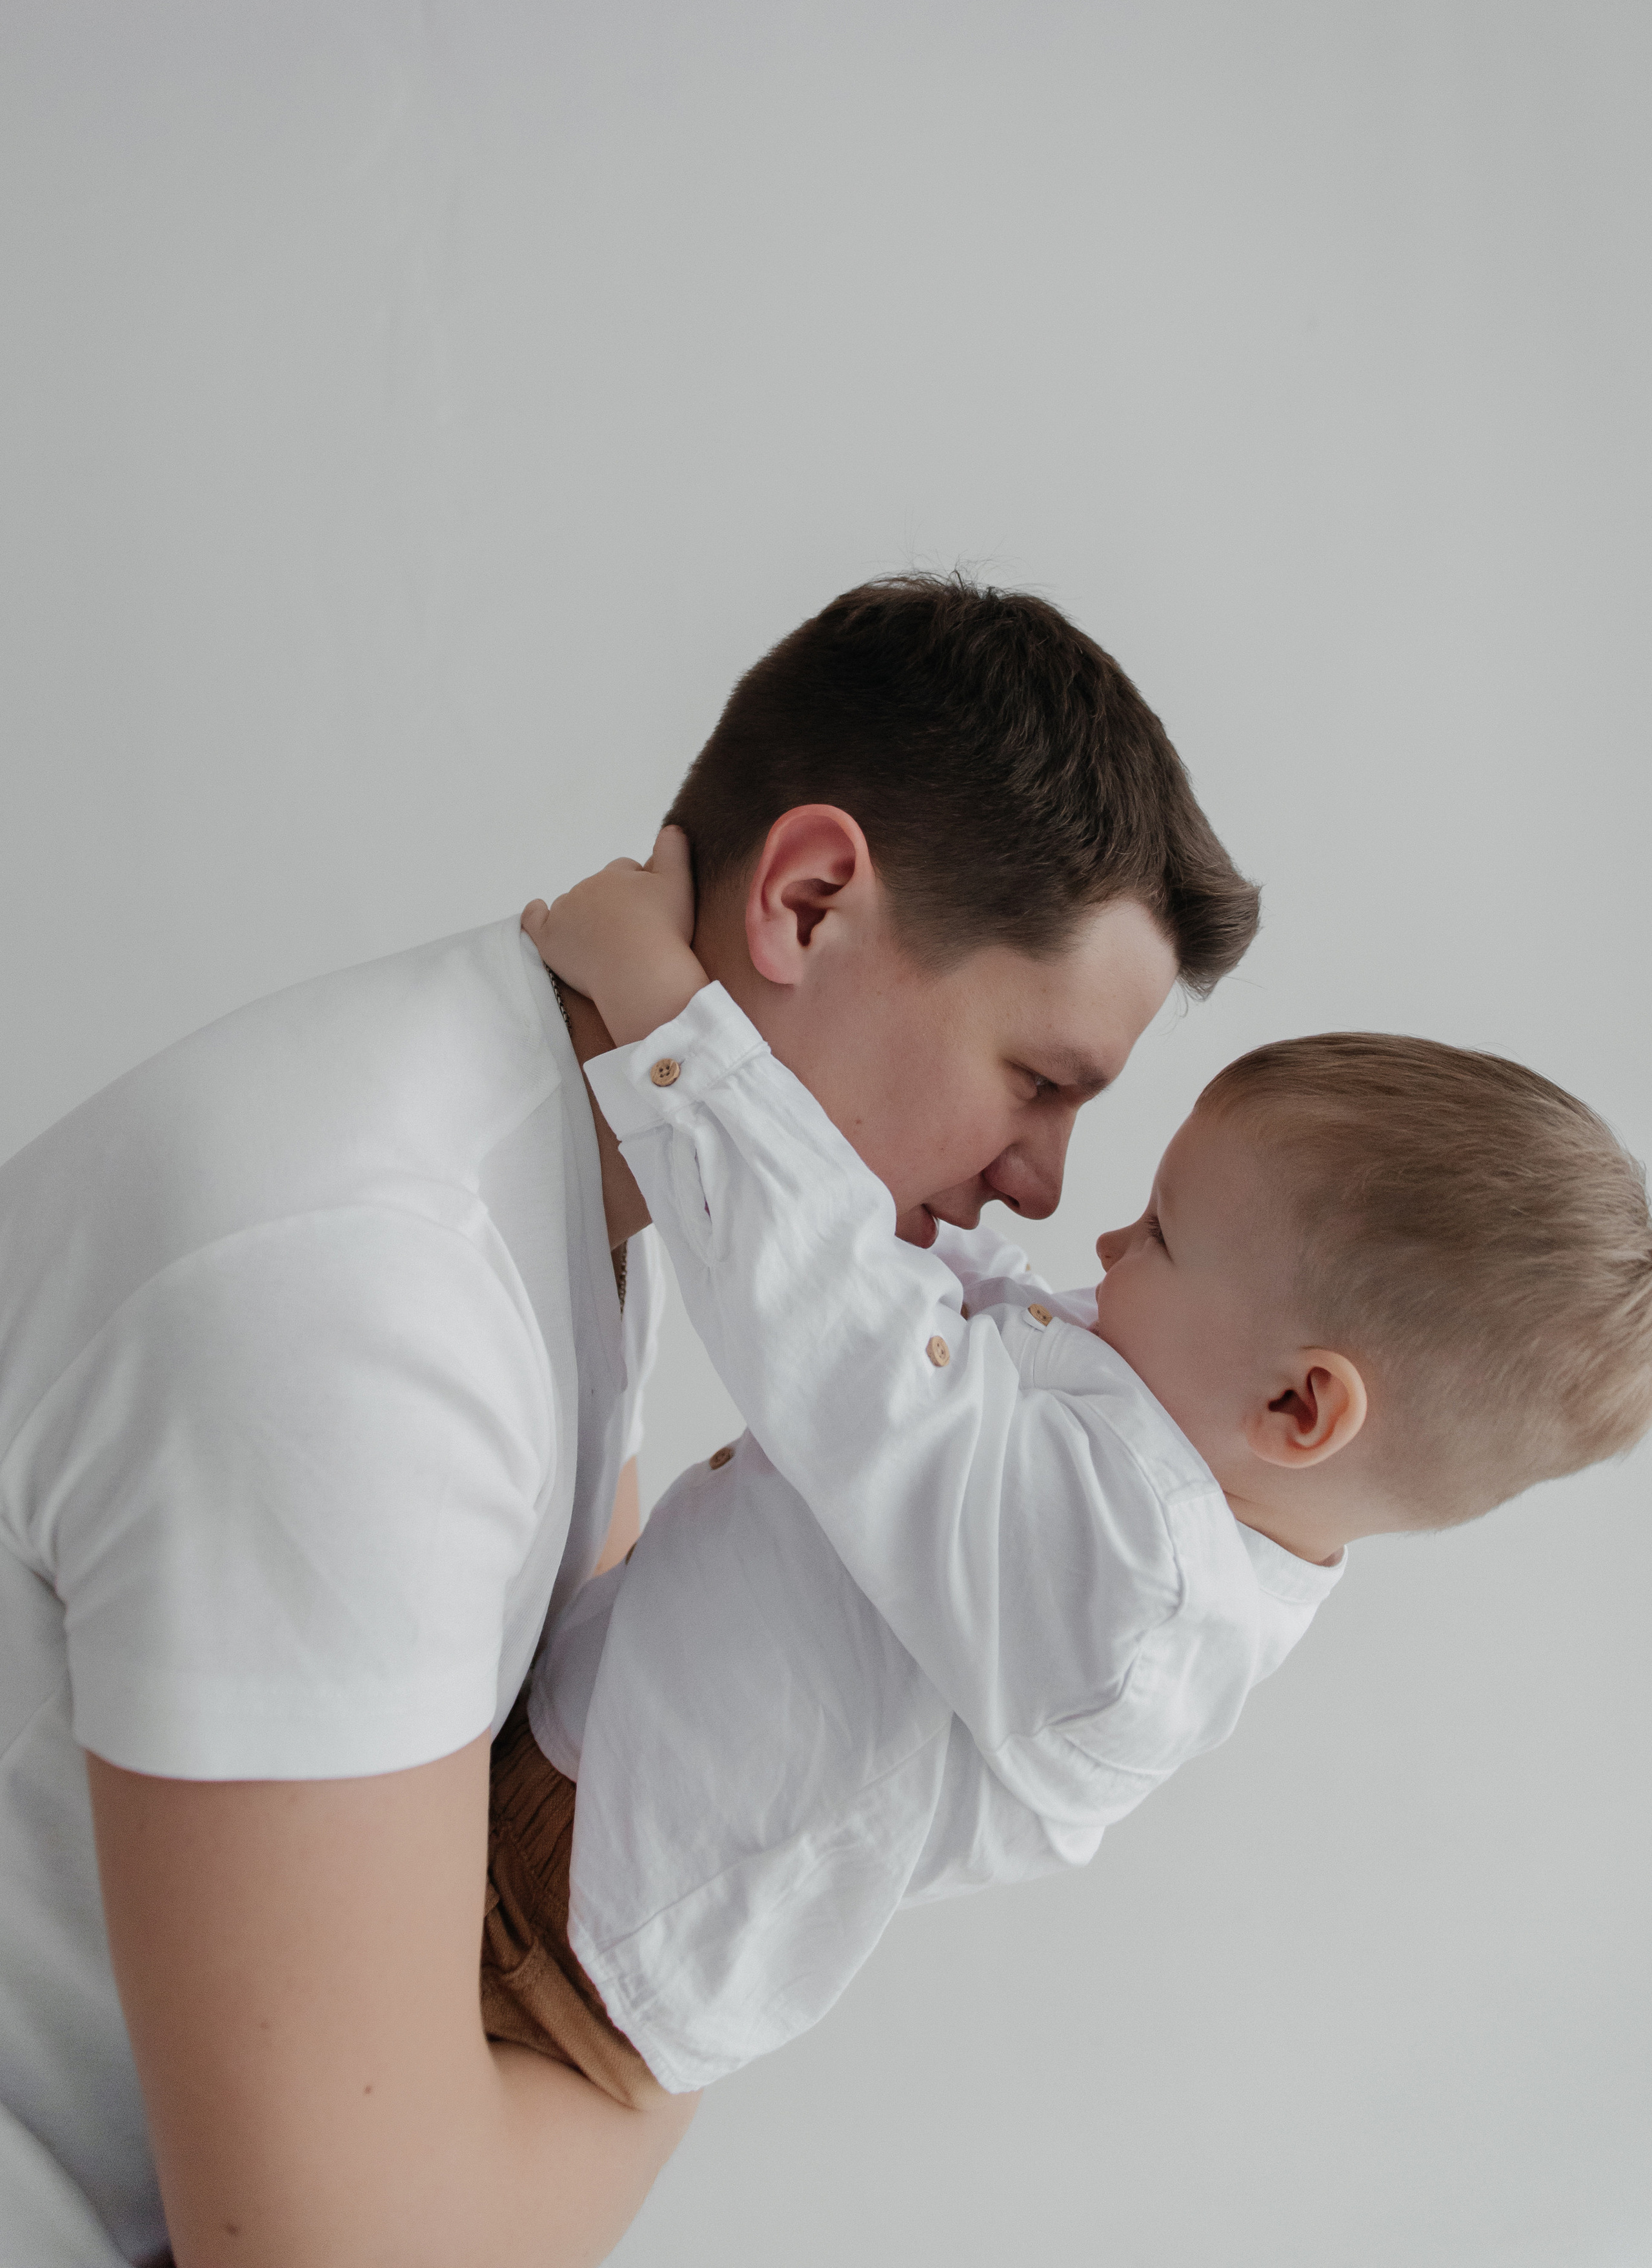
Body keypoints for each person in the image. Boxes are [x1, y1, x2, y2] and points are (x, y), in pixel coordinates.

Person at [0, 577, 1258, 2264]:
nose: (1039, 1189)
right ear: (805, 903)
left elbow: (574, 1731)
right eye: (1039, 1082)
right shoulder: (363, 1296)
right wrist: (784, 1864)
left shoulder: (560, 1172)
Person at [472, 843, 1652, 2103]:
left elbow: (848, 1342)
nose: (1097, 1236)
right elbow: (987, 1334)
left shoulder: (1128, 1582)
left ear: (1297, 1405)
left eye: (1157, 1235)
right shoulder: (1159, 1457)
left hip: (571, 1905)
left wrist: (667, 1017)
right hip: (593, 1765)